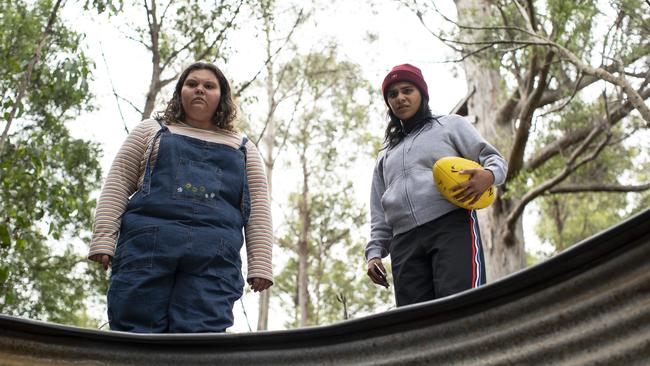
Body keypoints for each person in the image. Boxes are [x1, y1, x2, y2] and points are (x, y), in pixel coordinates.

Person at [88, 61, 273, 333]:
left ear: (221, 96)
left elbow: (257, 210)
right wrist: (103, 239)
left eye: (208, 86)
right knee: (134, 332)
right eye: (192, 84)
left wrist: (261, 264)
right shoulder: (151, 131)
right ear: (180, 92)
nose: (199, 90)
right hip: (146, 250)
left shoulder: (242, 148)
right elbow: (118, 182)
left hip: (213, 258)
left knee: (199, 340)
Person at [365, 64, 507, 307]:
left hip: (450, 227)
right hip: (404, 243)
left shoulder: (451, 125)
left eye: (407, 90)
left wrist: (489, 175)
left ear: (422, 93)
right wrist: (374, 252)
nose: (400, 98)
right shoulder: (385, 154)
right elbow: (379, 213)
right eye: (393, 94)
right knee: (416, 323)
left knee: (460, 308)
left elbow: (495, 159)